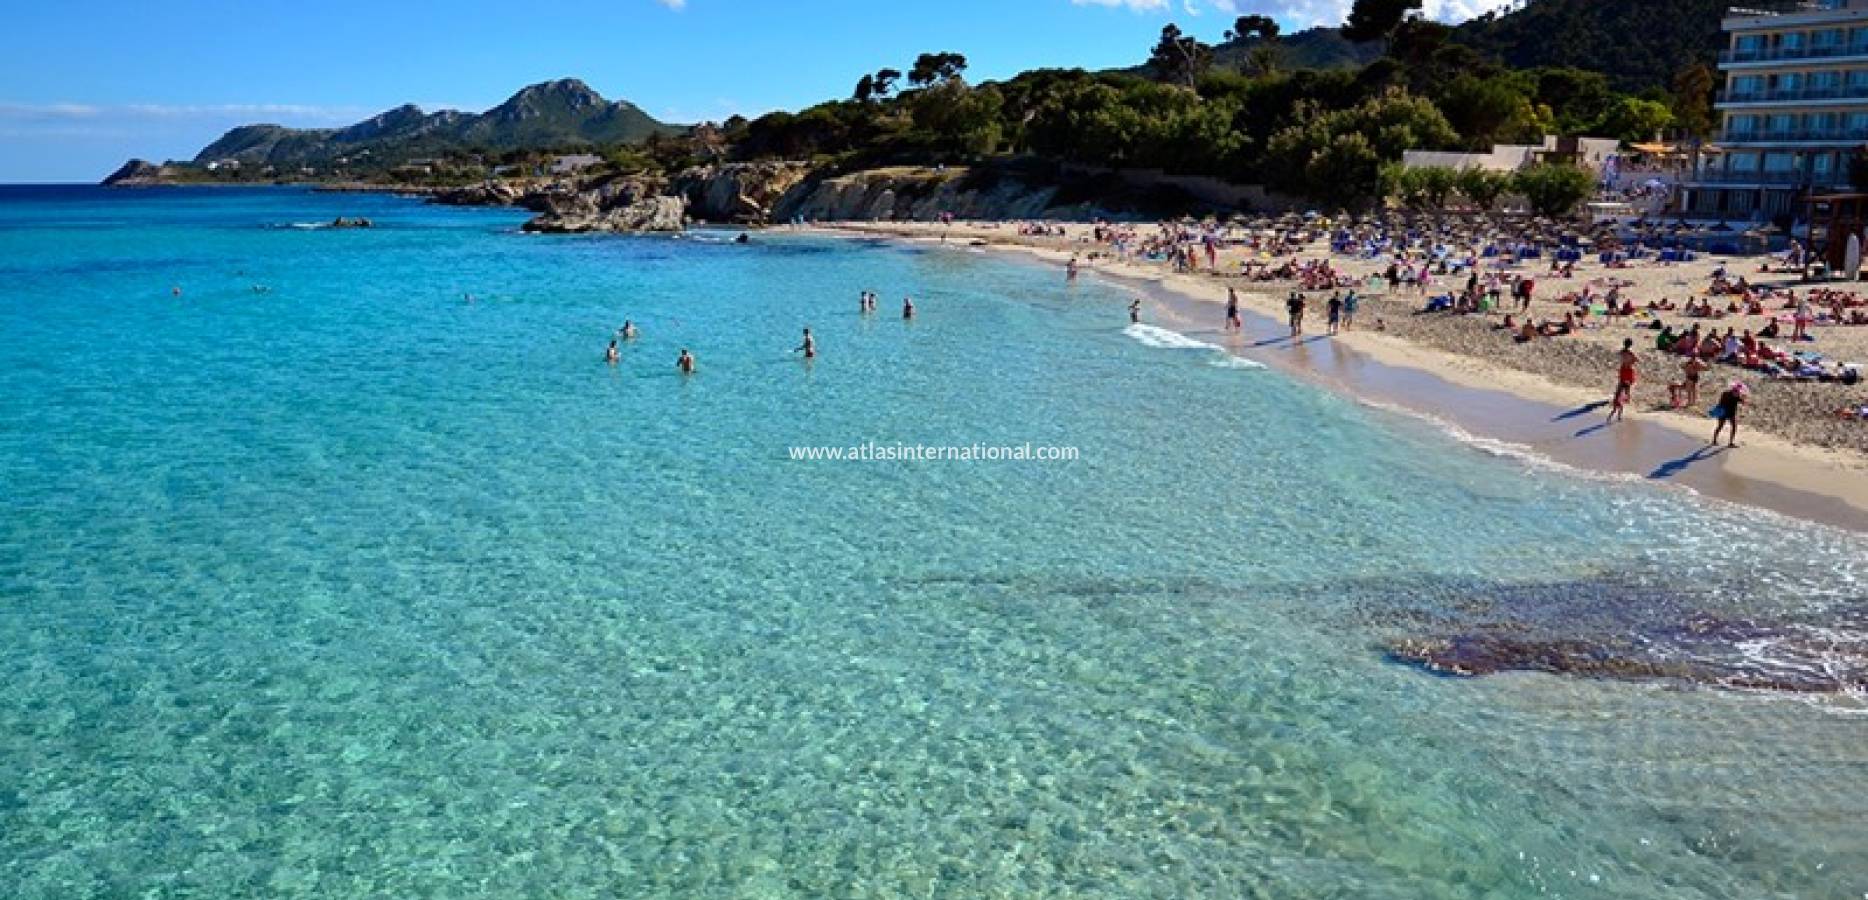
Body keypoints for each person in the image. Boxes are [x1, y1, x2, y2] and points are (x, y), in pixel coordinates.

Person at [1609, 338, 1638, 423]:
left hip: (1623, 369)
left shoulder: (1621, 352)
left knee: (1621, 383)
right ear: (1630, 345)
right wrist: (1631, 362)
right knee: (1628, 385)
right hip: (1629, 369)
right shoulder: (1631, 353)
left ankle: (1618, 397)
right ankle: (1627, 398)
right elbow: (1635, 360)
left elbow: (1619, 357)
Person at [1711, 381, 1747, 447]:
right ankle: (1714, 440)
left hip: (1731, 413)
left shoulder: (1729, 394)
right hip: (1724, 412)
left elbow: (1744, 403)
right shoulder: (1727, 394)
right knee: (1720, 426)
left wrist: (1743, 397)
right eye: (1737, 391)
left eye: (1738, 391)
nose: (1738, 392)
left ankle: (1730, 442)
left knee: (1733, 427)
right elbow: (1720, 403)